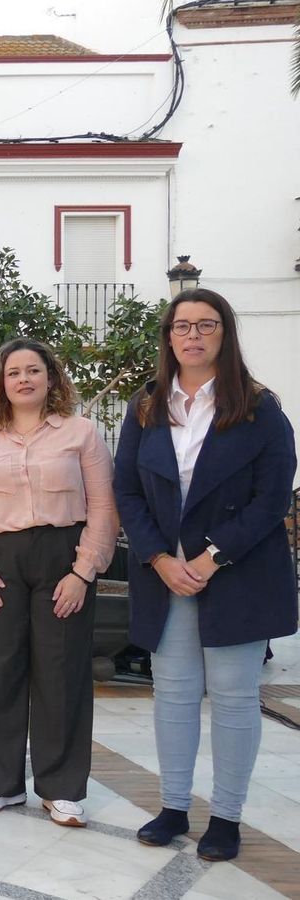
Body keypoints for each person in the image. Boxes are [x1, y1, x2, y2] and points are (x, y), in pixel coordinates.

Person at [113, 289, 296, 862]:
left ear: (225, 333)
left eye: (207, 325)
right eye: (182, 325)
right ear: (168, 335)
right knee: (172, 694)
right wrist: (161, 559)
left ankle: (227, 816)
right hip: (166, 574)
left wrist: (211, 557)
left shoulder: (260, 407)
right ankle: (172, 807)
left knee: (236, 697)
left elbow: (273, 498)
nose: (193, 335)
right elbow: (127, 489)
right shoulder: (145, 405)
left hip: (235, 571)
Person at [0, 337, 117, 828]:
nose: (24, 379)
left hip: (62, 558)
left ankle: (61, 787)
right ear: (1, 382)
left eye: (33, 370)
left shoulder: (81, 433)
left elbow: (104, 507)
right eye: (14, 372)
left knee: (61, 672)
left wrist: (84, 571)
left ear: (50, 378)